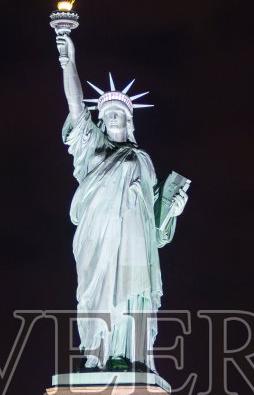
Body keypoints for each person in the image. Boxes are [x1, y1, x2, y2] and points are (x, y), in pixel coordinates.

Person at [55, 30, 188, 372]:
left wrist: (171, 209)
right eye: (109, 115)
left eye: (121, 115)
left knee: (135, 296)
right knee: (101, 293)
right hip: (100, 240)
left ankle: (132, 355)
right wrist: (67, 60)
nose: (115, 119)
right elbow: (74, 104)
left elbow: (155, 222)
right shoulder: (93, 150)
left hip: (135, 243)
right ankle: (99, 353)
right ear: (101, 121)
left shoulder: (142, 160)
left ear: (129, 122)